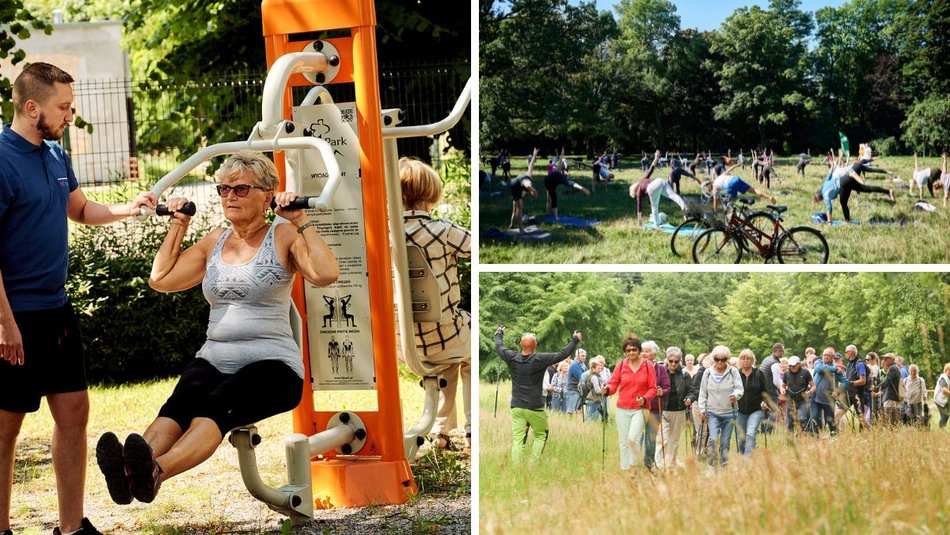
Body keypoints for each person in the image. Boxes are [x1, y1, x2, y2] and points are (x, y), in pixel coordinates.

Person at [94, 150, 339, 507]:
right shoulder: (216, 240)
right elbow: (160, 279)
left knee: (214, 408)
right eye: (224, 189)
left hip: (272, 365)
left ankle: (154, 472)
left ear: (266, 195)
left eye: (240, 190)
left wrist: (300, 219)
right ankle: (130, 474)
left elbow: (326, 273)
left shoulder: (283, 235)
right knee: (177, 408)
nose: (229, 197)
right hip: (213, 359)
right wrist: (179, 224)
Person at [0, 62, 157, 535]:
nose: (70, 115)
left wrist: (130, 208)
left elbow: (81, 209)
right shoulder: (1, 160)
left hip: (56, 311)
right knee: (5, 431)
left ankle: (71, 529)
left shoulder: (53, 153)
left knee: (73, 415)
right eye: (63, 107)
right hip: (14, 317)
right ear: (32, 107)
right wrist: (4, 324)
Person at [397, 157, 472, 450]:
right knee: (467, 353)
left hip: (402, 341)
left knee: (449, 363)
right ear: (431, 194)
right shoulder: (443, 230)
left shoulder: (382, 233)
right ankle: (471, 430)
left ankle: (441, 432)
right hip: (444, 336)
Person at [494, 327, 581, 462]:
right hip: (535, 407)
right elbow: (562, 354)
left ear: (520, 344)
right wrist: (575, 340)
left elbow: (499, 347)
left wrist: (499, 333)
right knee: (541, 435)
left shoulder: (511, 357)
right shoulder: (540, 359)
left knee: (518, 438)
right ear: (536, 345)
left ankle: (516, 468)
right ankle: (532, 464)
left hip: (516, 406)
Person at [603, 335, 656, 473]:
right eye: (628, 350)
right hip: (622, 408)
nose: (631, 352)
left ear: (639, 350)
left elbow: (653, 388)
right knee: (624, 441)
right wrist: (607, 389)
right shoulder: (621, 365)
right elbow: (614, 383)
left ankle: (633, 468)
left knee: (633, 438)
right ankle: (625, 470)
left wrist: (644, 398)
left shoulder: (648, 365)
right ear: (625, 352)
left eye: (634, 349)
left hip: (640, 408)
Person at [698, 346, 743, 469]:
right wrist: (702, 409)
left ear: (727, 359)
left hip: (729, 412)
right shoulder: (707, 372)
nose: (719, 362)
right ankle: (712, 465)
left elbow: (740, 388)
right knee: (712, 439)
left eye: (723, 359)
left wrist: (735, 395)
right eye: (717, 359)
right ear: (713, 359)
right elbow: (702, 392)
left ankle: (724, 464)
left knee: (724, 442)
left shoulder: (733, 371)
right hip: (713, 412)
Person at [816, 157, 894, 223]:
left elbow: (829, 208)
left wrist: (829, 222)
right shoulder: (824, 185)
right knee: (867, 189)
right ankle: (888, 191)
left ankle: (847, 221)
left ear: (820, 198)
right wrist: (832, 165)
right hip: (847, 179)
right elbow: (829, 174)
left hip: (844, 184)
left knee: (843, 203)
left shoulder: (825, 196)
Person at [655, 347, 688, 469]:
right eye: (671, 360)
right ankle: (659, 464)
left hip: (679, 410)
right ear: (667, 359)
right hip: (663, 409)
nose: (673, 363)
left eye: (676, 361)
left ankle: (671, 463)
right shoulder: (660, 372)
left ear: (680, 361)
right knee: (662, 438)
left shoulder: (684, 374)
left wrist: (689, 398)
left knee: (674, 440)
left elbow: (692, 390)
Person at [641, 341, 669, 469]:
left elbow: (667, 387)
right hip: (639, 408)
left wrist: (661, 391)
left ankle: (649, 465)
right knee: (636, 438)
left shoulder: (661, 369)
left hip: (654, 409)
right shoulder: (637, 368)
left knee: (651, 440)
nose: (643, 353)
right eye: (642, 351)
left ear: (654, 354)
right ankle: (634, 465)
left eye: (646, 351)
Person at [736, 349, 768, 456]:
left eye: (748, 358)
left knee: (750, 434)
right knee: (741, 439)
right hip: (740, 411)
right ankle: (746, 456)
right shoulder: (736, 374)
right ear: (740, 360)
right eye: (743, 358)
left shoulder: (759, 374)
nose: (745, 361)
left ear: (752, 360)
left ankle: (747, 462)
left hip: (756, 410)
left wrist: (764, 402)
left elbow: (765, 392)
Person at [544, 148, 590, 222]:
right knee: (568, 182)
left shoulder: (550, 168)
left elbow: (548, 200)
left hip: (548, 181)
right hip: (555, 178)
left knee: (552, 198)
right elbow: (559, 164)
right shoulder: (557, 169)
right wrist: (562, 154)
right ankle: (581, 187)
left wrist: (561, 154)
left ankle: (555, 217)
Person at [811, 347, 847, 436]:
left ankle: (834, 438)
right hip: (815, 397)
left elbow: (845, 382)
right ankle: (816, 438)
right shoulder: (818, 362)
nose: (826, 357)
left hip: (829, 399)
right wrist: (834, 369)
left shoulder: (837, 369)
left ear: (833, 357)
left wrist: (838, 391)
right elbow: (820, 369)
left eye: (828, 355)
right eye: (824, 355)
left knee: (830, 420)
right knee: (815, 418)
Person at [710, 164, 776, 212]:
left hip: (730, 184)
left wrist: (715, 211)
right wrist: (738, 164)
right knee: (754, 190)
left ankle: (733, 222)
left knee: (729, 206)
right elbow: (731, 168)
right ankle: (768, 197)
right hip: (735, 179)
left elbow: (715, 200)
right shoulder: (723, 175)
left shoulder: (715, 184)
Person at [508, 148, 539, 234]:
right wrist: (534, 191)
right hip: (516, 185)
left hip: (514, 183)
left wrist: (534, 154)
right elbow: (527, 185)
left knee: (515, 207)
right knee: (520, 208)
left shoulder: (529, 175)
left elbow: (531, 165)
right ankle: (521, 230)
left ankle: (511, 224)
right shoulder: (528, 180)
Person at [781, 356, 813, 435]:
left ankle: (800, 435)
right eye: (790, 366)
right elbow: (783, 385)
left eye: (794, 366)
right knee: (790, 421)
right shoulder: (787, 374)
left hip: (803, 400)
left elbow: (813, 386)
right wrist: (782, 389)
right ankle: (790, 439)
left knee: (802, 418)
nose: (792, 368)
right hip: (791, 400)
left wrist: (810, 391)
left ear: (799, 364)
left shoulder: (805, 373)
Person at [843, 345, 868, 431]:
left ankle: (869, 434)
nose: (845, 354)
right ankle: (835, 433)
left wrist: (850, 383)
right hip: (848, 394)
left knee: (861, 418)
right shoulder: (849, 364)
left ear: (851, 352)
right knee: (839, 413)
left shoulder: (859, 364)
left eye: (846, 352)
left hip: (858, 395)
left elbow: (863, 380)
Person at [874, 353, 902, 426]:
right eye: (884, 358)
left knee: (887, 418)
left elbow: (886, 382)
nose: (884, 360)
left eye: (886, 358)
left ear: (892, 360)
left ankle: (889, 433)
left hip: (890, 396)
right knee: (894, 418)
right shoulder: (896, 367)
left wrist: (875, 388)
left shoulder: (892, 368)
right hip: (894, 396)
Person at [566, 349, 588, 416]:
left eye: (585, 356)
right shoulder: (574, 364)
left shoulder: (583, 365)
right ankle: (568, 424)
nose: (584, 357)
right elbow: (580, 378)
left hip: (578, 390)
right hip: (573, 390)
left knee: (577, 410)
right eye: (582, 356)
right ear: (577, 356)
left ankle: (575, 424)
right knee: (571, 411)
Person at [935, 363, 950, 428]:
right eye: (949, 370)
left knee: (944, 416)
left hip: (945, 400)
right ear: (946, 370)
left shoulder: (949, 378)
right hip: (939, 400)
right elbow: (944, 390)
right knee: (945, 415)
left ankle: (942, 430)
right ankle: (941, 429)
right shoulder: (943, 378)